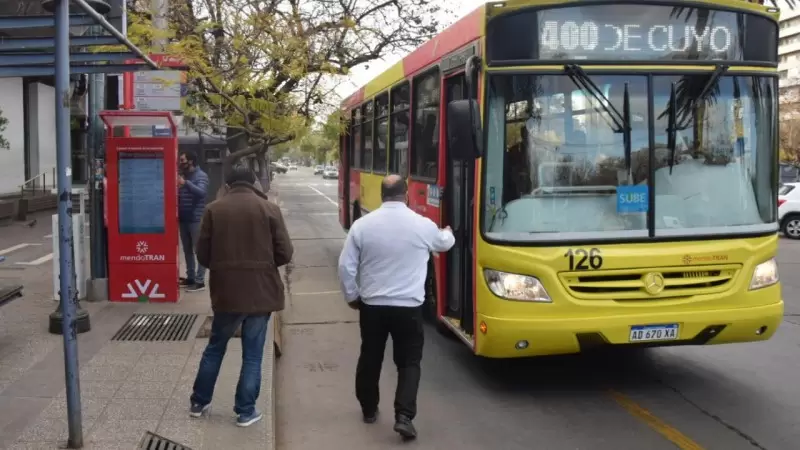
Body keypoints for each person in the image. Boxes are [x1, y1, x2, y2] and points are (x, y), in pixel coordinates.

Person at [337, 174, 455, 441]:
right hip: (408, 309)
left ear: (381, 195)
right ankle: (404, 417)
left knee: (370, 357)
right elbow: (445, 243)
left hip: (372, 306)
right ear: (407, 195)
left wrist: (353, 296)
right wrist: (447, 233)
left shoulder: (362, 226)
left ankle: (368, 409)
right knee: (409, 362)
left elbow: (346, 267)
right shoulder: (421, 224)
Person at [189, 166, 293, 427]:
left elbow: (202, 254)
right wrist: (265, 265)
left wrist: (225, 267)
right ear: (253, 182)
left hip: (227, 291)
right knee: (253, 354)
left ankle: (199, 403)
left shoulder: (214, 209)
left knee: (215, 348)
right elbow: (285, 252)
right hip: (261, 291)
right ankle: (245, 411)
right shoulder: (269, 209)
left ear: (228, 184)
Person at [178, 151, 209, 292]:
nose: (181, 162)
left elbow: (201, 192)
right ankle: (190, 277)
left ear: (190, 161)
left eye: (183, 160)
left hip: (196, 219)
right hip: (183, 219)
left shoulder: (200, 176)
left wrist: (186, 184)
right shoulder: (184, 176)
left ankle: (200, 280)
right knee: (187, 250)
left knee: (199, 250)